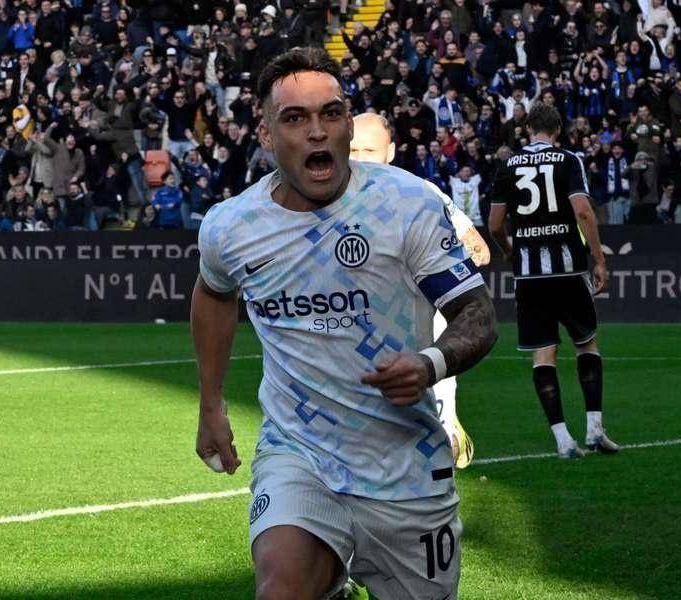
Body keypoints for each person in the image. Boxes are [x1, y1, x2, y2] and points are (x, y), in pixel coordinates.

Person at [192, 48, 497, 599]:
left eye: (330, 114)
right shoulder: (232, 227)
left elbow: (476, 313)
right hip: (299, 452)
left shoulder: (406, 204)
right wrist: (211, 404)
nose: (316, 131)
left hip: (405, 467)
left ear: (348, 125)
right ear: (266, 136)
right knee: (282, 587)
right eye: (294, 118)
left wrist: (429, 364)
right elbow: (213, 294)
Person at [349, 111, 492, 470]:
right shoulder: (324, 199)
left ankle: (449, 434)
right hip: (359, 323)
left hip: (421, 321)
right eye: (352, 150)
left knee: (432, 446)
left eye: (369, 150)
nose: (359, 159)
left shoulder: (422, 193)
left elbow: (479, 250)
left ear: (390, 152)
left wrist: (429, 268)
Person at [487, 103, 618, 459]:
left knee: (543, 353)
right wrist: (599, 258)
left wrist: (509, 251)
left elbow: (495, 224)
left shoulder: (508, 165)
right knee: (586, 344)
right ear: (557, 130)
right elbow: (583, 211)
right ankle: (594, 429)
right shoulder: (568, 160)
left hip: (530, 275)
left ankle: (563, 440)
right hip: (568, 269)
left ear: (529, 129)